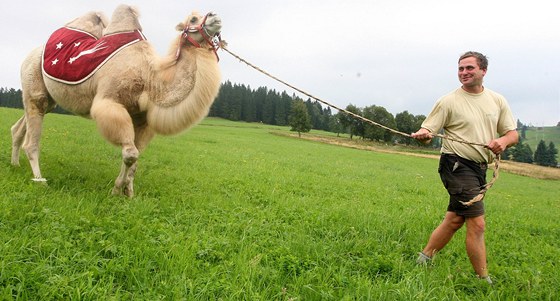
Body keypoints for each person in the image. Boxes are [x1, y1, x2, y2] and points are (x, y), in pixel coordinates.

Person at [411, 51, 519, 284]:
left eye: (469, 68)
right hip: (456, 164)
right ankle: (483, 280)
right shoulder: (448, 101)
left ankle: (424, 258)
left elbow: (513, 134)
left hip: (480, 168)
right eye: (460, 68)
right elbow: (428, 131)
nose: (464, 73)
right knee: (477, 223)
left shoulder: (497, 100)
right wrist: (424, 135)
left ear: (483, 71)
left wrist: (502, 142)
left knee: (455, 219)